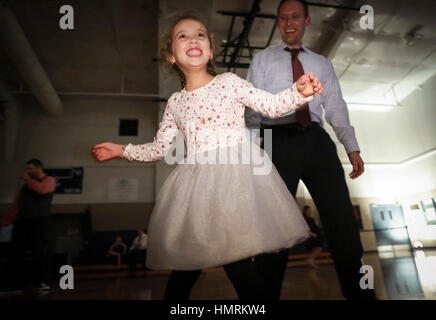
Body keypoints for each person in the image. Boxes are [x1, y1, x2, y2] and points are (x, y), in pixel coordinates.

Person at [92, 13, 323, 300]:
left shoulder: (228, 82)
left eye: (200, 34)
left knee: (233, 261)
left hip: (235, 179)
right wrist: (121, 150)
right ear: (172, 56)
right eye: (182, 36)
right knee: (192, 260)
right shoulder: (176, 103)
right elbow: (158, 149)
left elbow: (271, 105)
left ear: (210, 50)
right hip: (199, 186)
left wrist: (298, 93)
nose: (193, 39)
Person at [245, 0, 376, 300]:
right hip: (276, 142)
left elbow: (336, 108)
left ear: (306, 20)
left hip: (317, 141)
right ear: (278, 23)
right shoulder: (262, 60)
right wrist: (250, 151)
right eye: (282, 18)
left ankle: (360, 295)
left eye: (295, 17)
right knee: (273, 226)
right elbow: (252, 110)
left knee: (342, 220)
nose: (288, 22)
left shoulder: (322, 63)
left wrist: (351, 147)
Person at [0, 159, 55, 292]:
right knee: (15, 252)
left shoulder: (49, 180)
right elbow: (17, 204)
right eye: (27, 169)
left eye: (30, 168)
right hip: (23, 221)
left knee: (39, 252)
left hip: (39, 222)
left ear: (39, 168)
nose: (28, 171)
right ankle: (14, 284)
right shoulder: (26, 187)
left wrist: (28, 180)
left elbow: (42, 190)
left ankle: (40, 282)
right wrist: (6, 220)